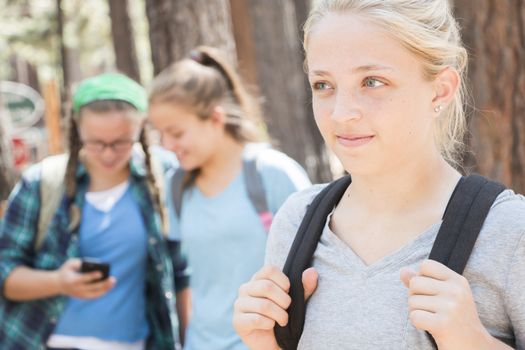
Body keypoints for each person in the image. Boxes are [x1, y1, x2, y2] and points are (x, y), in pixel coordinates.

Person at [232, 1, 525, 349]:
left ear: (441, 89)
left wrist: (473, 341)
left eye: (372, 81)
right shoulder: (296, 222)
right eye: (323, 85)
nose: (341, 114)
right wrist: (265, 344)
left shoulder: (509, 232)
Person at [0, 73, 190, 350]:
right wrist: (58, 282)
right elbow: (5, 272)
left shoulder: (163, 177)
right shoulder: (42, 183)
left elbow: (182, 275)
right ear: (77, 131)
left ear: (141, 129)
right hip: (42, 342)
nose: (109, 154)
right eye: (96, 143)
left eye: (122, 142)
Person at [148, 46, 312, 350]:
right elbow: (188, 280)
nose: (167, 145)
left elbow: (316, 268)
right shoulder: (176, 185)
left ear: (215, 118)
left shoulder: (272, 173)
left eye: (176, 133)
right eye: (161, 134)